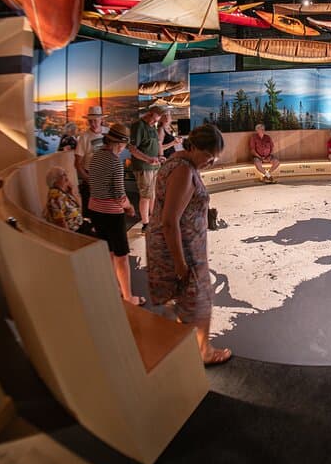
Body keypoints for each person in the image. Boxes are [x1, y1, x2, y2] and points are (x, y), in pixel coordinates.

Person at [146, 124, 232, 365]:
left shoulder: (178, 162)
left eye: (215, 157)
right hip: (181, 247)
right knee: (200, 298)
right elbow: (170, 221)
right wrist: (180, 264)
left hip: (179, 244)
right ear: (193, 147)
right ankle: (203, 351)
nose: (212, 162)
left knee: (181, 300)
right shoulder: (183, 171)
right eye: (208, 156)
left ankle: (184, 346)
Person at [88, 123, 143, 305]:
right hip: (111, 214)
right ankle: (128, 297)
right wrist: (129, 208)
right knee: (121, 255)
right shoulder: (115, 162)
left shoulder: (95, 157)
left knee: (109, 252)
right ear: (120, 144)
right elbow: (119, 194)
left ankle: (115, 288)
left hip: (95, 210)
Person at [129, 105, 166, 233]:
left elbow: (157, 144)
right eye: (154, 120)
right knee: (145, 195)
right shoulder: (138, 126)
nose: (155, 122)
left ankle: (153, 219)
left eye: (157, 121)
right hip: (144, 167)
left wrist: (160, 156)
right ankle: (145, 223)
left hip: (154, 166)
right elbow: (133, 149)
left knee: (153, 195)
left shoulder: (152, 128)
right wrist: (147, 159)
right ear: (149, 114)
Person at [75, 106, 108, 218]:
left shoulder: (108, 133)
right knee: (91, 212)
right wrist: (88, 180)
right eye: (90, 121)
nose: (93, 124)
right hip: (91, 175)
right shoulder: (84, 137)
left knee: (105, 209)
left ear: (101, 120)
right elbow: (77, 164)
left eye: (95, 120)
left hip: (106, 175)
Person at [43, 166, 82, 231]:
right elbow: (60, 222)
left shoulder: (63, 192)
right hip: (75, 231)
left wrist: (72, 193)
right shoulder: (55, 196)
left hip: (79, 225)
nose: (67, 176)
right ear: (55, 180)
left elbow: (79, 207)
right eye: (63, 174)